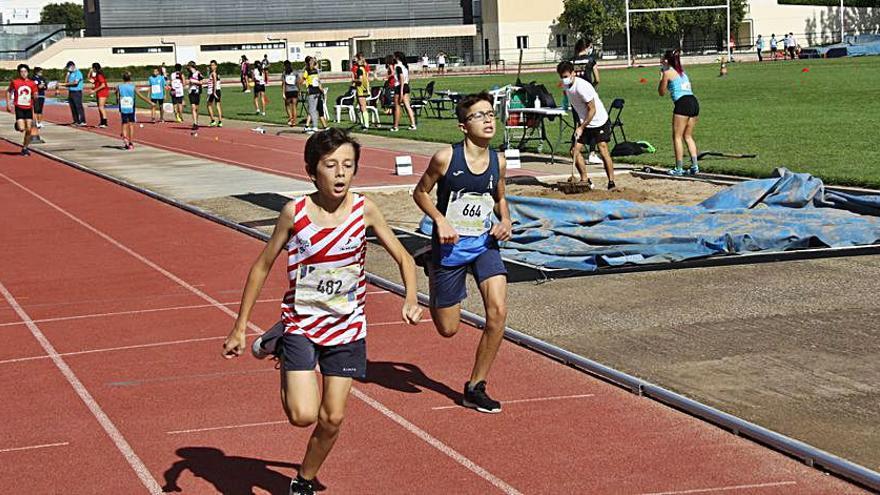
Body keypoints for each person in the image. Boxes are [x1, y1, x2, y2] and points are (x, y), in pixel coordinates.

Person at [222, 128, 423, 495]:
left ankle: (305, 478)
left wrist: (411, 297)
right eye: (331, 165)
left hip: (347, 327)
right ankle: (280, 342)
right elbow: (262, 267)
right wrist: (238, 327)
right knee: (303, 416)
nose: (341, 173)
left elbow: (405, 257)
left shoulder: (365, 210)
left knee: (332, 418)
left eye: (348, 165)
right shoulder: (294, 213)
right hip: (301, 323)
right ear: (311, 171)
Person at [412, 92, 512, 414]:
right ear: (462, 126)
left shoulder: (499, 160)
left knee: (497, 312)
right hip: (450, 247)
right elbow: (420, 192)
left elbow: (499, 198)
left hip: (484, 244)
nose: (487, 119)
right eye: (478, 115)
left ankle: (475, 386)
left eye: (490, 114)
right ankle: (431, 263)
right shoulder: (445, 158)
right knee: (448, 329)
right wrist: (439, 220)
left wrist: (506, 219)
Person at [558, 60, 616, 189]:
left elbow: (592, 109)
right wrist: (580, 124)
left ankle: (611, 182)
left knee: (602, 148)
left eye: (566, 77)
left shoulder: (582, 87)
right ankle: (585, 180)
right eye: (562, 77)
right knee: (574, 151)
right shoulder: (566, 87)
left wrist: (581, 127)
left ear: (573, 73)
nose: (564, 80)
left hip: (598, 121)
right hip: (584, 122)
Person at [658, 49, 700, 176]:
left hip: (683, 104)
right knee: (688, 136)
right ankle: (695, 166)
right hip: (693, 102)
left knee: (677, 136)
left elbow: (661, 92)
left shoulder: (667, 73)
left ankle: (679, 168)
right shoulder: (682, 73)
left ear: (666, 60)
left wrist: (661, 77)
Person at [572, 38, 602, 165]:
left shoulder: (571, 61)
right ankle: (592, 153)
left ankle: (575, 151)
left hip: (575, 95)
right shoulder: (590, 60)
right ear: (587, 47)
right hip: (588, 95)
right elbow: (597, 78)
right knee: (592, 122)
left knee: (577, 124)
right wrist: (593, 87)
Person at [6, 64, 39, 156]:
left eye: (25, 71)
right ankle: (18, 124)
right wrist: (8, 104)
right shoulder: (15, 82)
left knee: (29, 129)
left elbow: (35, 93)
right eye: (21, 72)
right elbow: (9, 91)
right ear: (19, 73)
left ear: (28, 72)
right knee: (21, 129)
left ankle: (25, 148)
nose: (23, 73)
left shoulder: (32, 83)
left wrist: (35, 96)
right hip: (19, 107)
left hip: (28, 108)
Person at [117, 71, 154, 150]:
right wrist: (150, 102)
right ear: (130, 78)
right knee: (131, 124)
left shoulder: (119, 86)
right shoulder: (133, 87)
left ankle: (125, 138)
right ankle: (130, 142)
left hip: (123, 106)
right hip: (131, 106)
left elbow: (117, 95)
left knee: (124, 124)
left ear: (123, 78)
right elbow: (140, 96)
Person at [392, 52, 417, 131]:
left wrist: (401, 92)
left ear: (397, 58)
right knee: (407, 106)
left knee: (397, 106)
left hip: (400, 86)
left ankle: (395, 126)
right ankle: (413, 124)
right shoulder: (405, 66)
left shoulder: (398, 66)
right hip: (406, 85)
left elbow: (401, 78)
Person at [302, 56, 326, 134]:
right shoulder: (313, 71)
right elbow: (317, 81)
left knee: (312, 110)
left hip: (313, 91)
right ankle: (310, 126)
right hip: (315, 91)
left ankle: (315, 127)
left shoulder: (308, 71)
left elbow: (304, 80)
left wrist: (307, 87)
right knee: (313, 110)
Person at [63, 61, 86, 126]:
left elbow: (75, 83)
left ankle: (82, 121)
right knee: (72, 107)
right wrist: (67, 75)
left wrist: (65, 84)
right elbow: (66, 82)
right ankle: (76, 120)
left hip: (77, 92)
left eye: (68, 67)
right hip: (71, 91)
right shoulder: (70, 74)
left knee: (78, 106)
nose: (68, 69)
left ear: (72, 66)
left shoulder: (78, 73)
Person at [353, 54, 371, 128]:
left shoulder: (359, 70)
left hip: (361, 90)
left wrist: (354, 80)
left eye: (356, 60)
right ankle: (363, 123)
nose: (354, 61)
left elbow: (360, 80)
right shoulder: (363, 69)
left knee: (363, 107)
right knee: (361, 107)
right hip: (364, 89)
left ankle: (366, 124)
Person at [30, 66, 47, 141]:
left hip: (42, 95)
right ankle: (36, 121)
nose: (41, 73)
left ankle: (40, 122)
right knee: (36, 109)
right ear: (36, 72)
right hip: (36, 95)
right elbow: (33, 86)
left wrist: (44, 86)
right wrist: (38, 87)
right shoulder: (33, 78)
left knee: (40, 109)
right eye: (40, 71)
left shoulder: (42, 78)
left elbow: (45, 86)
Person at [282, 60, 300, 127]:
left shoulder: (284, 73)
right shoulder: (295, 73)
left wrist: (283, 93)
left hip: (288, 91)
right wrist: (299, 90)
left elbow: (283, 84)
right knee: (294, 106)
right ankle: (294, 121)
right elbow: (298, 82)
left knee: (287, 105)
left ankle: (290, 117)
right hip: (295, 90)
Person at [206, 60, 223, 127]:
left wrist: (213, 92)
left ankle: (213, 120)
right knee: (217, 105)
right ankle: (220, 121)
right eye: (211, 65)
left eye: (213, 65)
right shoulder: (217, 74)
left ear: (216, 66)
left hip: (213, 91)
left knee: (209, 105)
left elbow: (215, 82)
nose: (211, 67)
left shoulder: (213, 73)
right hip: (218, 90)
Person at [186, 61, 203, 131]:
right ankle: (195, 123)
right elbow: (189, 82)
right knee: (193, 107)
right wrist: (189, 83)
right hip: (191, 92)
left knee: (196, 108)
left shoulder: (198, 73)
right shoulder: (189, 74)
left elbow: (201, 82)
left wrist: (194, 81)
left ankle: (196, 122)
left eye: (189, 66)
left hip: (197, 92)